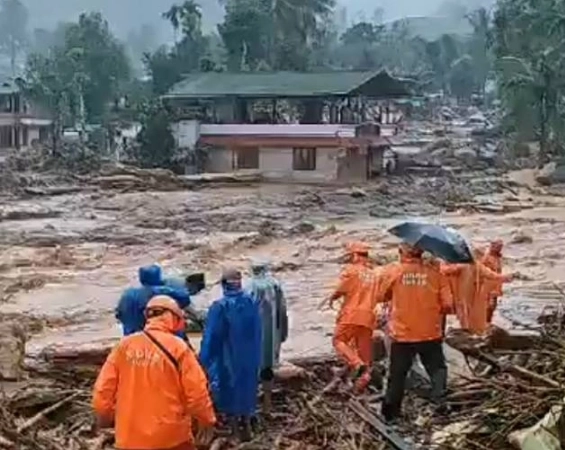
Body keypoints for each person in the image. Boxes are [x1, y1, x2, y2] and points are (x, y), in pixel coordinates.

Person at [92, 296, 216, 450]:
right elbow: (197, 393)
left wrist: (106, 417)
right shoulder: (179, 348)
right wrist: (207, 420)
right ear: (174, 317)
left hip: (129, 438)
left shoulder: (124, 346)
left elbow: (102, 391)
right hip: (171, 438)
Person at [375, 243, 453, 422]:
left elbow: (380, 296)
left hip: (403, 334)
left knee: (397, 375)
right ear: (421, 253)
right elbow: (448, 305)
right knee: (437, 369)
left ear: (402, 252)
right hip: (429, 332)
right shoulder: (436, 274)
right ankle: (439, 404)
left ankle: (390, 414)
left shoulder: (394, 272)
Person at [199, 268, 262, 441]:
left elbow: (211, 337)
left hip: (228, 357)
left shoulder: (220, 307)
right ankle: (247, 424)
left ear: (223, 284)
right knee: (247, 388)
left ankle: (234, 430)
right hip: (250, 356)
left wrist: (202, 361)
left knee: (229, 390)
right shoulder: (251, 301)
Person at [321, 242, 380, 393]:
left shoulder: (351, 270)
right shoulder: (374, 274)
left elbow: (341, 289)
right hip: (369, 317)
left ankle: (356, 364)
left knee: (338, 340)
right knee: (365, 355)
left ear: (354, 255)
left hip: (351, 314)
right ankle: (358, 389)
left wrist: (332, 297)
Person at [245, 259, 288, 414]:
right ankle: (267, 403)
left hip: (254, 335)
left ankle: (252, 403)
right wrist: (283, 333)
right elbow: (283, 311)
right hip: (272, 334)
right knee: (268, 367)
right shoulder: (275, 285)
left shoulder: (249, 287)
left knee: (252, 367)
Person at [115, 264, 192, 338]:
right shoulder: (163, 291)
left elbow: (118, 314)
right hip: (158, 338)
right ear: (158, 277)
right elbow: (185, 299)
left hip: (130, 338)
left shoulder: (127, 294)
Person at [441, 256, 511, 335]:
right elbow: (444, 270)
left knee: (470, 312)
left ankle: (471, 331)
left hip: (469, 293)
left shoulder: (475, 264)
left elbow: (488, 273)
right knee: (461, 311)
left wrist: (503, 278)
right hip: (454, 293)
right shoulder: (450, 264)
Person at [481, 240, 504, 323]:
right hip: (489, 286)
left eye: (501, 247)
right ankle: (485, 323)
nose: (500, 249)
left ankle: (488, 322)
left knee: (493, 306)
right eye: (498, 247)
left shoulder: (497, 258)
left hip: (496, 285)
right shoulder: (487, 258)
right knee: (488, 306)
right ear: (492, 247)